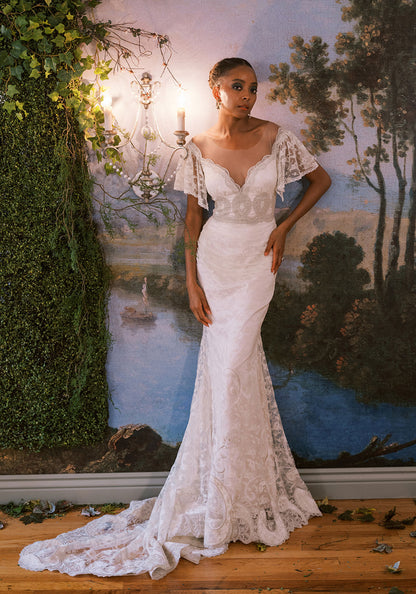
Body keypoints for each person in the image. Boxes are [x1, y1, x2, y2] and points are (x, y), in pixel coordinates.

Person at [18, 57, 331, 580]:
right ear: (215, 89)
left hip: (257, 263)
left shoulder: (279, 136)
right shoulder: (196, 149)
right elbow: (192, 218)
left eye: (253, 87)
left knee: (233, 365)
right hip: (214, 259)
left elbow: (319, 181)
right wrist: (190, 283)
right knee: (227, 369)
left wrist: (284, 227)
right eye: (237, 86)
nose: (248, 95)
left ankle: (234, 493)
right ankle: (223, 492)